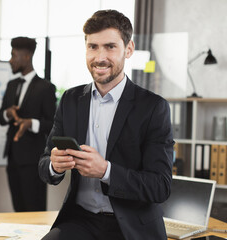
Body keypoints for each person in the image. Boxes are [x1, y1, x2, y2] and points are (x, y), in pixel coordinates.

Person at [39, 10, 174, 240]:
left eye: (110, 46)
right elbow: (44, 165)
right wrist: (54, 165)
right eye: (93, 47)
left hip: (130, 227)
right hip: (80, 221)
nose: (100, 57)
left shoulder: (153, 107)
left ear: (128, 49)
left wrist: (106, 171)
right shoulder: (70, 100)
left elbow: (160, 186)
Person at [0, 37, 57, 212]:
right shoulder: (11, 85)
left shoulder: (46, 88)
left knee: (34, 209)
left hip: (34, 160)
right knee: (18, 209)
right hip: (12, 157)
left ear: (27, 56)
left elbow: (52, 124)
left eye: (13, 55)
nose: (10, 60)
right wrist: (7, 114)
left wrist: (31, 123)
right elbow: (0, 118)